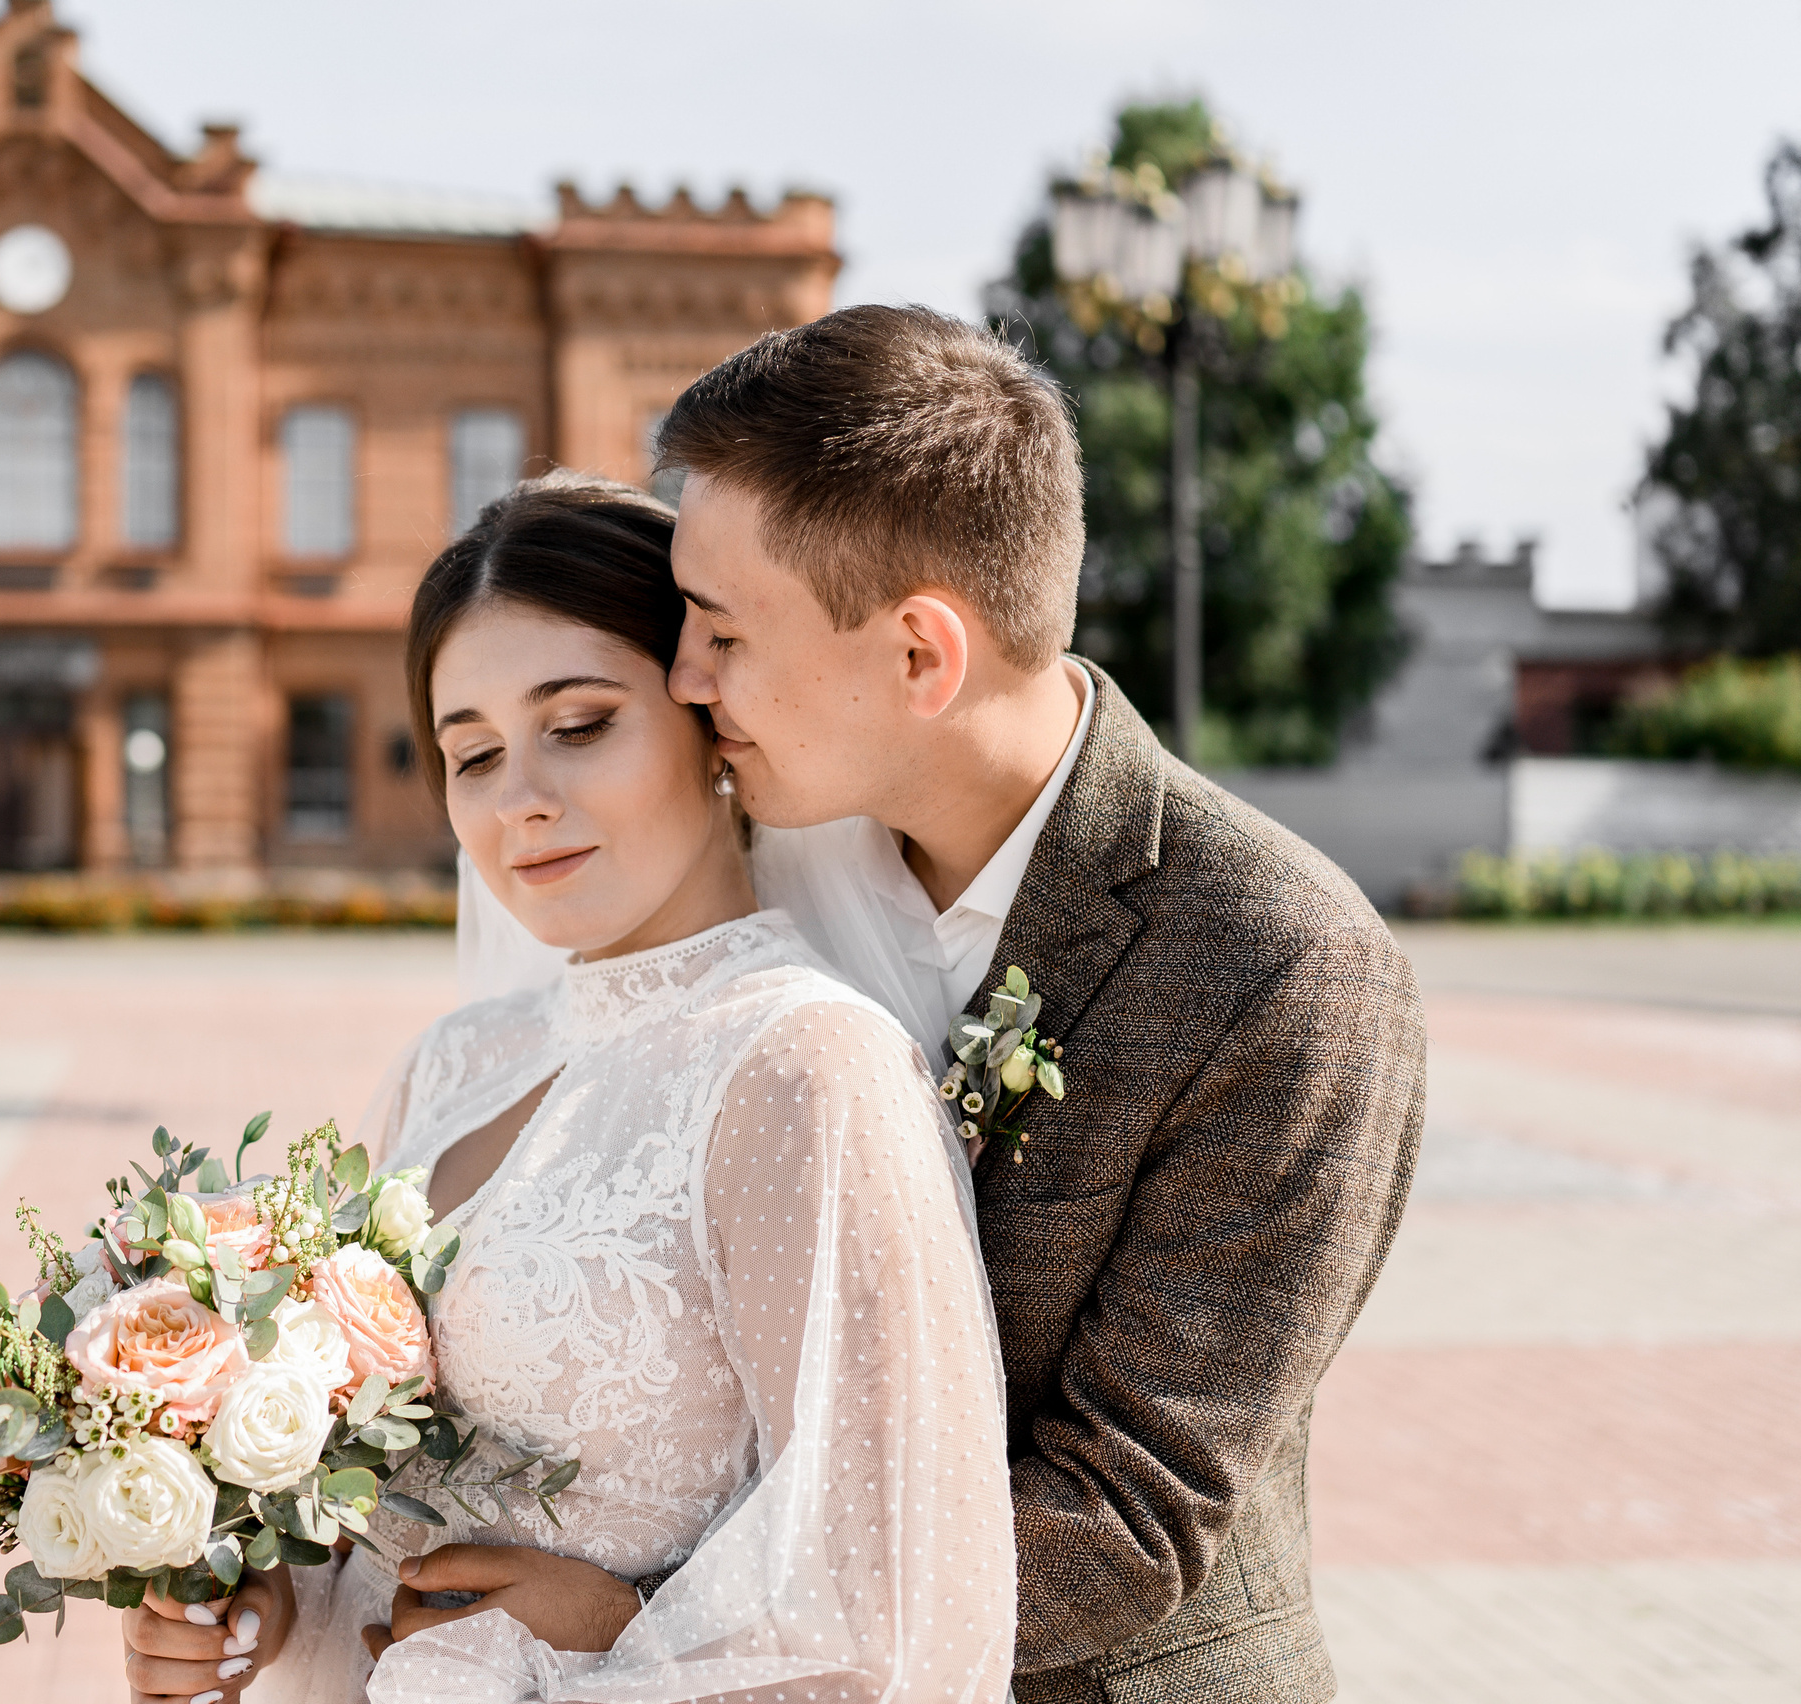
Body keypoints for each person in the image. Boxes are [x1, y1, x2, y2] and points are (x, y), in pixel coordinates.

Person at [119, 473, 1015, 1704]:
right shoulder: (453, 1062)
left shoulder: (802, 1065)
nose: (520, 801)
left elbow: (886, 1599)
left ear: (711, 724)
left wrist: (607, 1630)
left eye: (580, 724)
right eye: (471, 753)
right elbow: (378, 1506)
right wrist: (270, 1603)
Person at [660, 305, 1426, 1703]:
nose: (682, 680)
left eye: (719, 632)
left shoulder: (1284, 966)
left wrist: (646, 1632)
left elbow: (1121, 1522)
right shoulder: (755, 879)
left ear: (918, 658)